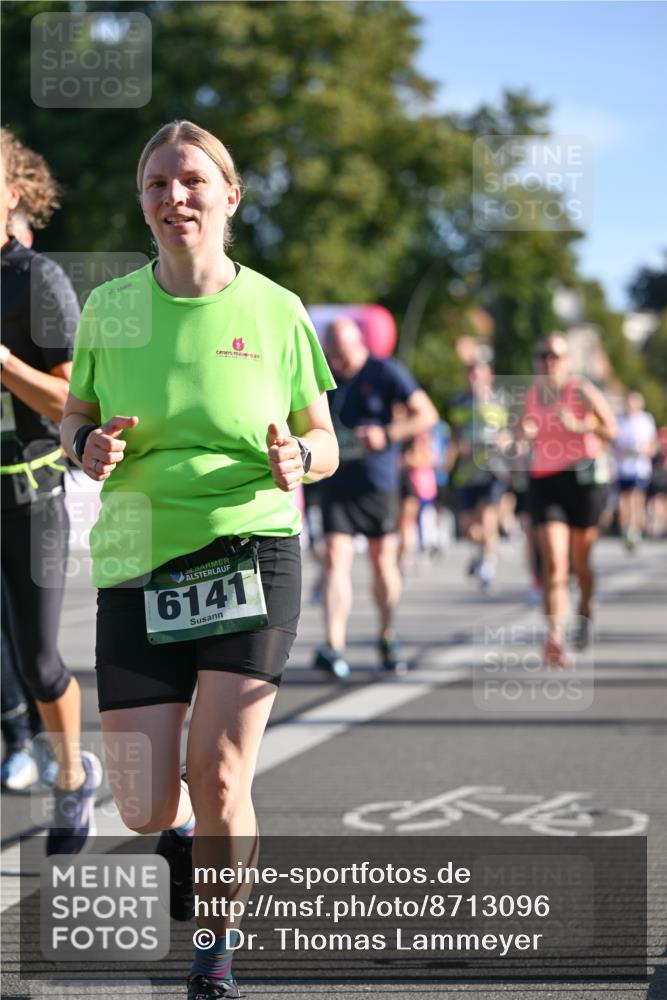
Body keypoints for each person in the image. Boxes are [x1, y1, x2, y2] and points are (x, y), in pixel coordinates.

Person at [60, 119, 338, 1000]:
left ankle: (215, 945)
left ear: (229, 195)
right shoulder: (110, 308)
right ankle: (175, 834)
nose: (172, 197)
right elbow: (75, 417)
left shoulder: (276, 309)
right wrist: (85, 449)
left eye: (189, 181)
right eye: (155, 185)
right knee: (145, 801)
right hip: (138, 558)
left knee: (220, 774)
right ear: (141, 203)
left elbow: (322, 436)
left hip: (249, 548)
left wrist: (302, 459)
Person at [0, 128, 95, 839]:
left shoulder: (36, 279)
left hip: (28, 495)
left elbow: (69, 404)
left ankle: (70, 773)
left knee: (37, 658)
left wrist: (2, 363)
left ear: (11, 193)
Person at [315, 317, 438, 678]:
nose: (337, 361)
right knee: (335, 558)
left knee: (381, 560)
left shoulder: (386, 371)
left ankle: (387, 634)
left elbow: (426, 414)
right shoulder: (326, 373)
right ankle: (334, 645)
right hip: (336, 482)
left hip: (377, 483)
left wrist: (387, 433)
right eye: (331, 353)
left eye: (342, 353)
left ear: (359, 343)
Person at [522, 333, 617, 667]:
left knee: (581, 563)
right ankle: (556, 637)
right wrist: (520, 435)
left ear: (568, 361)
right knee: (554, 562)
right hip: (545, 482)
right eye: (543, 354)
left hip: (583, 481)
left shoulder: (581, 390)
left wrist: (580, 425)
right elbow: (523, 429)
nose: (549, 361)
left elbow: (612, 431)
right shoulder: (532, 394)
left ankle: (586, 607)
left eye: (556, 355)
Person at [447, 361, 509, 591]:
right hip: (466, 472)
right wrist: (455, 448)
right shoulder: (458, 403)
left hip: (492, 468)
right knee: (469, 528)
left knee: (487, 517)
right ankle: (480, 552)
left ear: (489, 376)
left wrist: (503, 443)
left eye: (479, 374)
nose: (475, 378)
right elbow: (454, 433)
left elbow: (508, 433)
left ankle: (487, 564)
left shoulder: (499, 403)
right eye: (471, 374)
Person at [614, 391, 657, 551]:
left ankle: (635, 530)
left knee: (636, 498)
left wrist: (644, 450)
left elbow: (653, 444)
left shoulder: (646, 420)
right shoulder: (619, 419)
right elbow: (613, 441)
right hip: (622, 467)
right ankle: (626, 528)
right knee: (623, 500)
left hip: (640, 468)